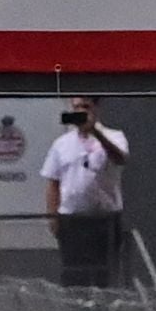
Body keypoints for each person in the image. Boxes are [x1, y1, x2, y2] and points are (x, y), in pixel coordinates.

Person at [42, 96, 131, 287]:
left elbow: (120, 158)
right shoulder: (61, 144)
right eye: (76, 107)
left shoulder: (114, 136)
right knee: (74, 276)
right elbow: (52, 181)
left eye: (85, 107)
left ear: (96, 109)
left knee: (103, 276)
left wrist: (95, 133)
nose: (80, 111)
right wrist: (53, 218)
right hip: (72, 221)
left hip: (104, 220)